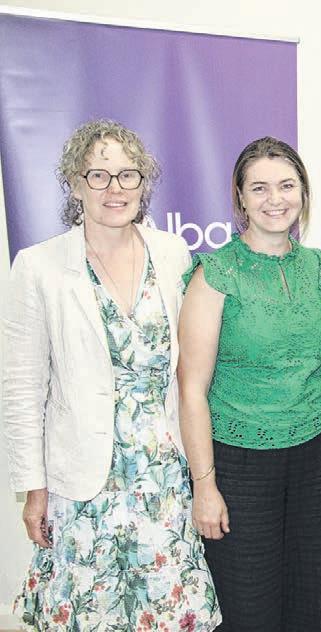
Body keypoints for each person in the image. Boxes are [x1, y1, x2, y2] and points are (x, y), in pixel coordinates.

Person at [2, 119, 220, 630]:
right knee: (89, 616)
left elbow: (190, 371)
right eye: (97, 175)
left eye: (127, 175)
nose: (114, 188)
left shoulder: (172, 254)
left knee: (165, 615)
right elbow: (22, 389)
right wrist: (33, 488)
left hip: (163, 477)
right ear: (74, 184)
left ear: (144, 184)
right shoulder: (39, 267)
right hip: (82, 483)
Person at [177, 137, 321, 632]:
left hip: (320, 455)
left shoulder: (319, 266)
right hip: (238, 463)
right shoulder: (215, 273)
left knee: (314, 606)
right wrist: (204, 486)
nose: (276, 199)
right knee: (249, 611)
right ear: (240, 198)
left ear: (303, 192)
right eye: (260, 188)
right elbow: (191, 389)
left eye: (287, 185)